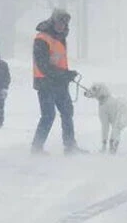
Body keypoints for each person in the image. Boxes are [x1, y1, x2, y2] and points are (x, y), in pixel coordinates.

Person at [30, 9, 86, 155]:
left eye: (65, 23)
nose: (63, 25)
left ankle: (70, 145)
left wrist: (66, 74)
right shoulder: (42, 38)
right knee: (48, 115)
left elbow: (57, 61)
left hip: (60, 83)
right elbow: (43, 65)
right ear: (53, 21)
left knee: (67, 112)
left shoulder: (60, 38)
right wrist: (63, 74)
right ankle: (36, 148)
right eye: (60, 22)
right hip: (45, 83)